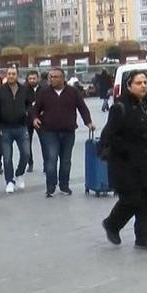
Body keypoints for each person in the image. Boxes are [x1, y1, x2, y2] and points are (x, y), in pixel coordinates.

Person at [99, 71, 147, 252]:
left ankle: (144, 238)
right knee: (132, 199)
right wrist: (129, 150)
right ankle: (112, 224)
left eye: (145, 82)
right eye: (138, 83)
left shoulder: (146, 105)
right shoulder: (120, 107)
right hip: (126, 163)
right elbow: (111, 136)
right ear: (129, 86)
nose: (143, 86)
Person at [30, 67, 95, 197]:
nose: (52, 79)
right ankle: (50, 186)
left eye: (55, 77)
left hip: (68, 131)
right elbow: (35, 108)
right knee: (51, 159)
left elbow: (82, 108)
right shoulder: (44, 93)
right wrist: (35, 118)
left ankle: (64, 185)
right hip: (49, 131)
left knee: (66, 160)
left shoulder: (73, 92)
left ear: (63, 78)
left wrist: (88, 122)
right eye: (50, 77)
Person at [0, 66, 34, 194]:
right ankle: (9, 181)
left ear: (17, 75)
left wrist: (27, 113)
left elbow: (30, 103)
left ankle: (19, 173)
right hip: (5, 128)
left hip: (21, 127)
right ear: (6, 75)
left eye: (13, 74)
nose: (11, 76)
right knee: (7, 157)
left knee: (26, 153)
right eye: (9, 73)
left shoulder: (24, 89)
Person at [24, 71, 41, 173]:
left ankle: (46, 163)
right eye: (30, 78)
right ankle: (30, 162)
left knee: (45, 142)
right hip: (28, 120)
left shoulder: (43, 89)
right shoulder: (24, 90)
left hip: (41, 119)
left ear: (37, 78)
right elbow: (22, 103)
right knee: (27, 142)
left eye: (34, 78)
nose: (32, 80)